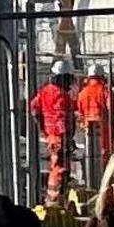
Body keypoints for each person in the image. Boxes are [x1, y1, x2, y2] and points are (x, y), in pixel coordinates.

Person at [31, 68, 78, 198]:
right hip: (60, 136)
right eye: (67, 79)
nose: (69, 83)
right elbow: (60, 117)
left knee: (55, 166)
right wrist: (66, 137)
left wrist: (43, 127)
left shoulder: (44, 91)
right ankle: (58, 196)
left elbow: (34, 108)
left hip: (51, 136)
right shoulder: (61, 95)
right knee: (61, 167)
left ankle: (54, 194)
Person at [73, 71, 114, 167]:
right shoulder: (105, 91)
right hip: (103, 126)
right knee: (104, 152)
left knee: (90, 152)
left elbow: (80, 111)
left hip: (88, 126)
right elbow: (113, 109)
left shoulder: (82, 92)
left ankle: (90, 173)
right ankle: (102, 175)